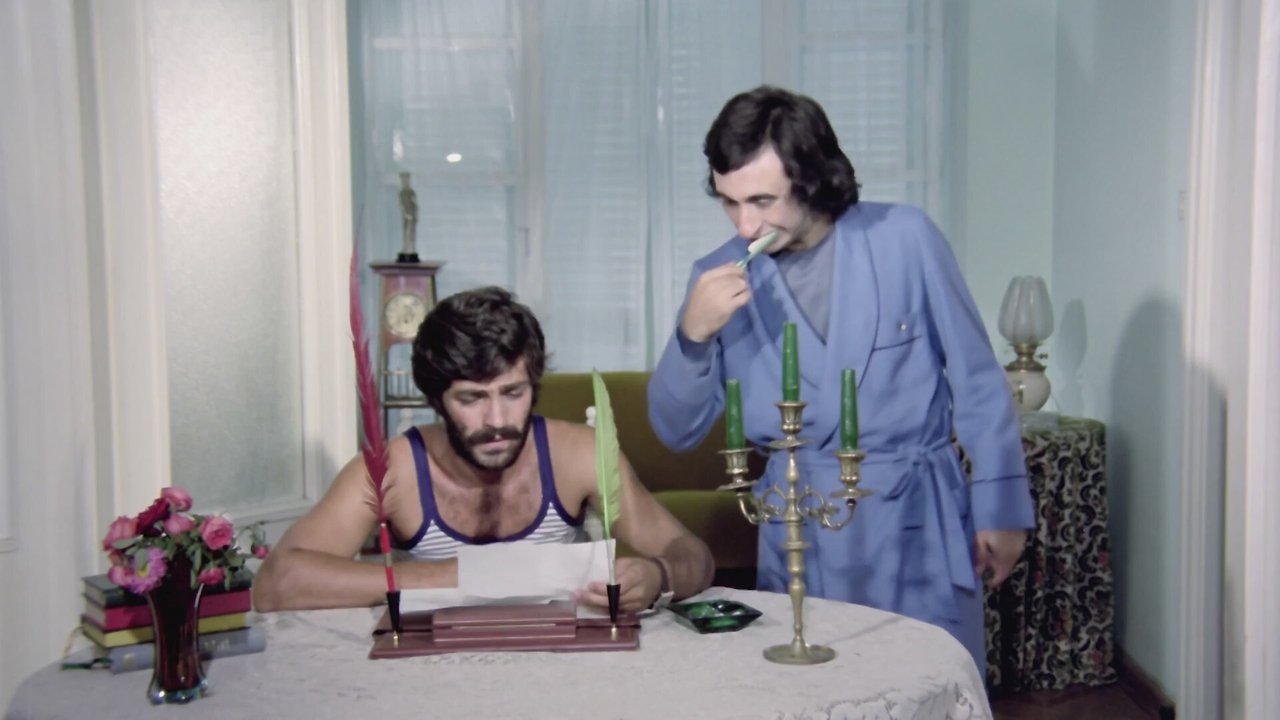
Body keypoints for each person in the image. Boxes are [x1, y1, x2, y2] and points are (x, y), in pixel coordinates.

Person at [646, 85, 1034, 674]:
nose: (746, 224)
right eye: (729, 202)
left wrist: (1000, 508)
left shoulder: (906, 238)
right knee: (816, 693)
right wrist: (692, 336)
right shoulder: (716, 276)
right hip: (801, 535)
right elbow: (674, 431)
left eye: (762, 200)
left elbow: (977, 380)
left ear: (811, 178)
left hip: (917, 524)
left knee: (929, 687)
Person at [255, 286, 713, 613]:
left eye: (513, 393)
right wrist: (470, 576)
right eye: (472, 398)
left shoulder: (578, 453)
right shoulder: (392, 468)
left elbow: (693, 555)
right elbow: (276, 583)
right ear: (437, 400)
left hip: (562, 666)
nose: (496, 420)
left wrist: (658, 575)